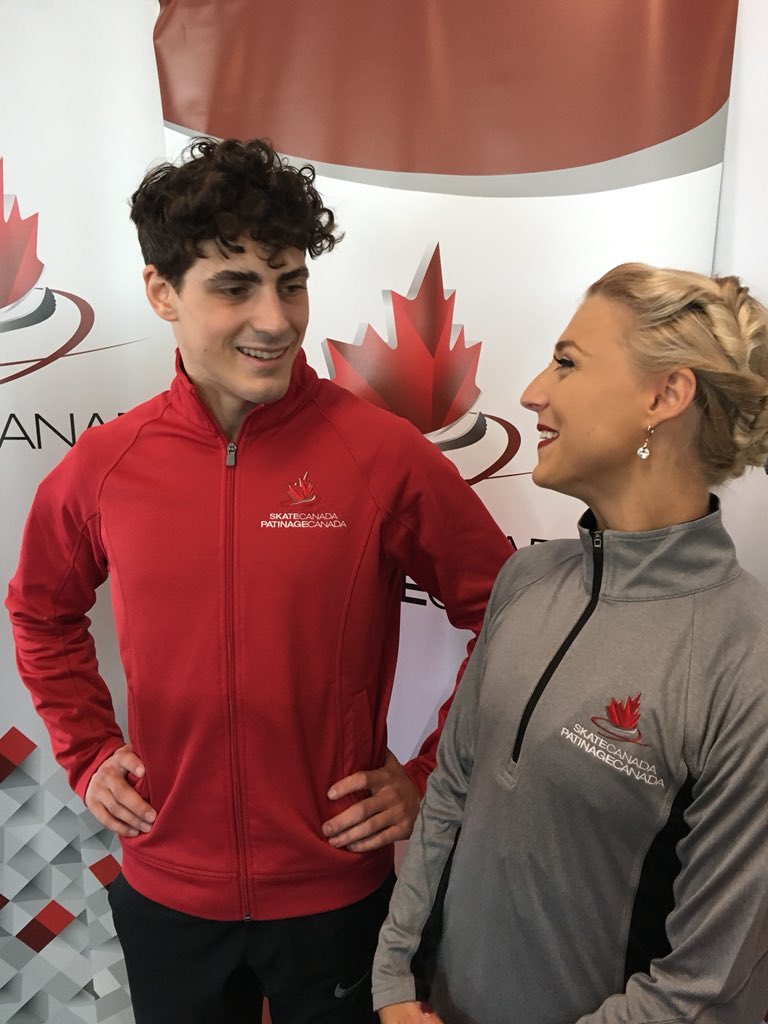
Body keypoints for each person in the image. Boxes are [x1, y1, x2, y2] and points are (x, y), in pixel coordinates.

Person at [5, 137, 511, 1024]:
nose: (275, 320)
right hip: (167, 888)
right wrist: (86, 751)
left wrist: (432, 773)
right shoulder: (108, 464)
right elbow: (40, 611)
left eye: (291, 282)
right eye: (235, 287)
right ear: (162, 291)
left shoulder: (379, 455)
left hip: (335, 892)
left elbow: (509, 613)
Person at [372, 263, 768, 1024]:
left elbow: (704, 985)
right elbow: (450, 792)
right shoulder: (526, 581)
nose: (531, 393)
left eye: (566, 362)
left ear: (664, 395)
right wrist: (393, 979)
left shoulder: (743, 661)